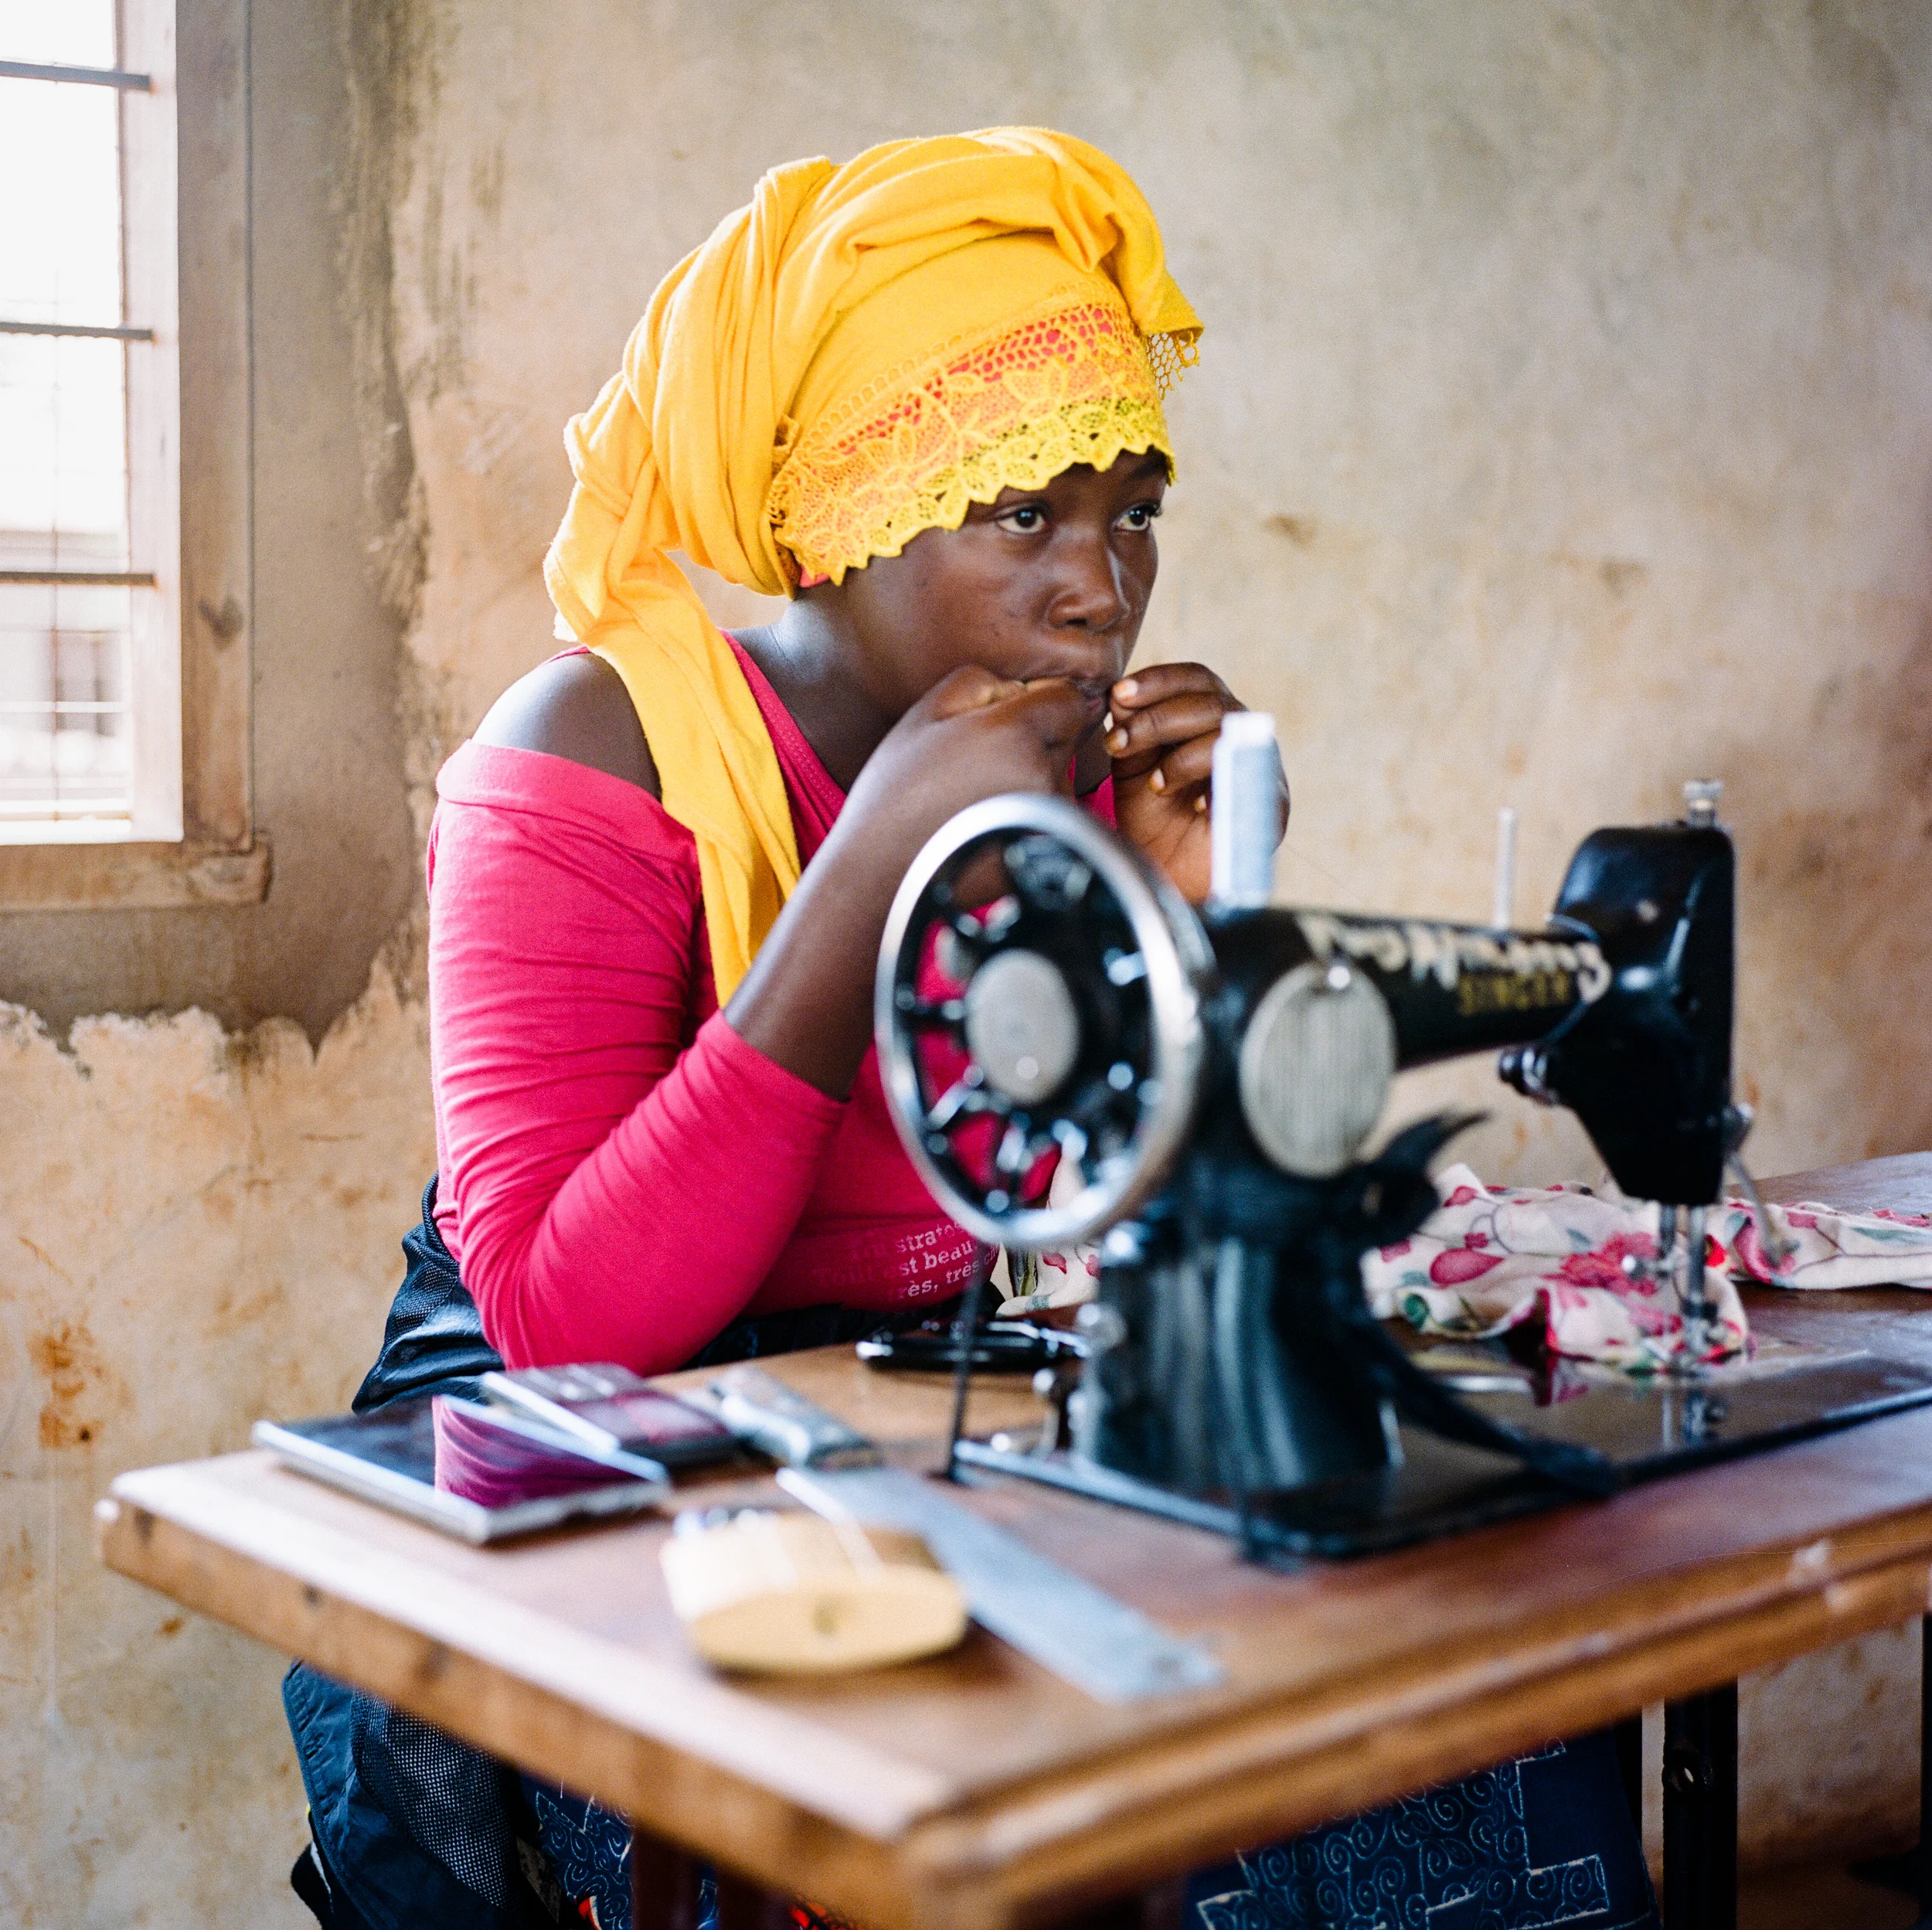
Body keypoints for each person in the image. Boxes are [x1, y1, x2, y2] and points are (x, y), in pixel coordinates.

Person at [285, 128, 1655, 1930]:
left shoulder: (1053, 783)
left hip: (902, 1407)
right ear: (843, 514)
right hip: (588, 1470)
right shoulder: (589, 752)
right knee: (1031, 1805)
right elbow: (564, 1316)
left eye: (1131, 510)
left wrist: (1180, 920)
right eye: (1023, 511)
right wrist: (865, 875)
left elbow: (1101, 1225)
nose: (1099, 586)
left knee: (1449, 1678)